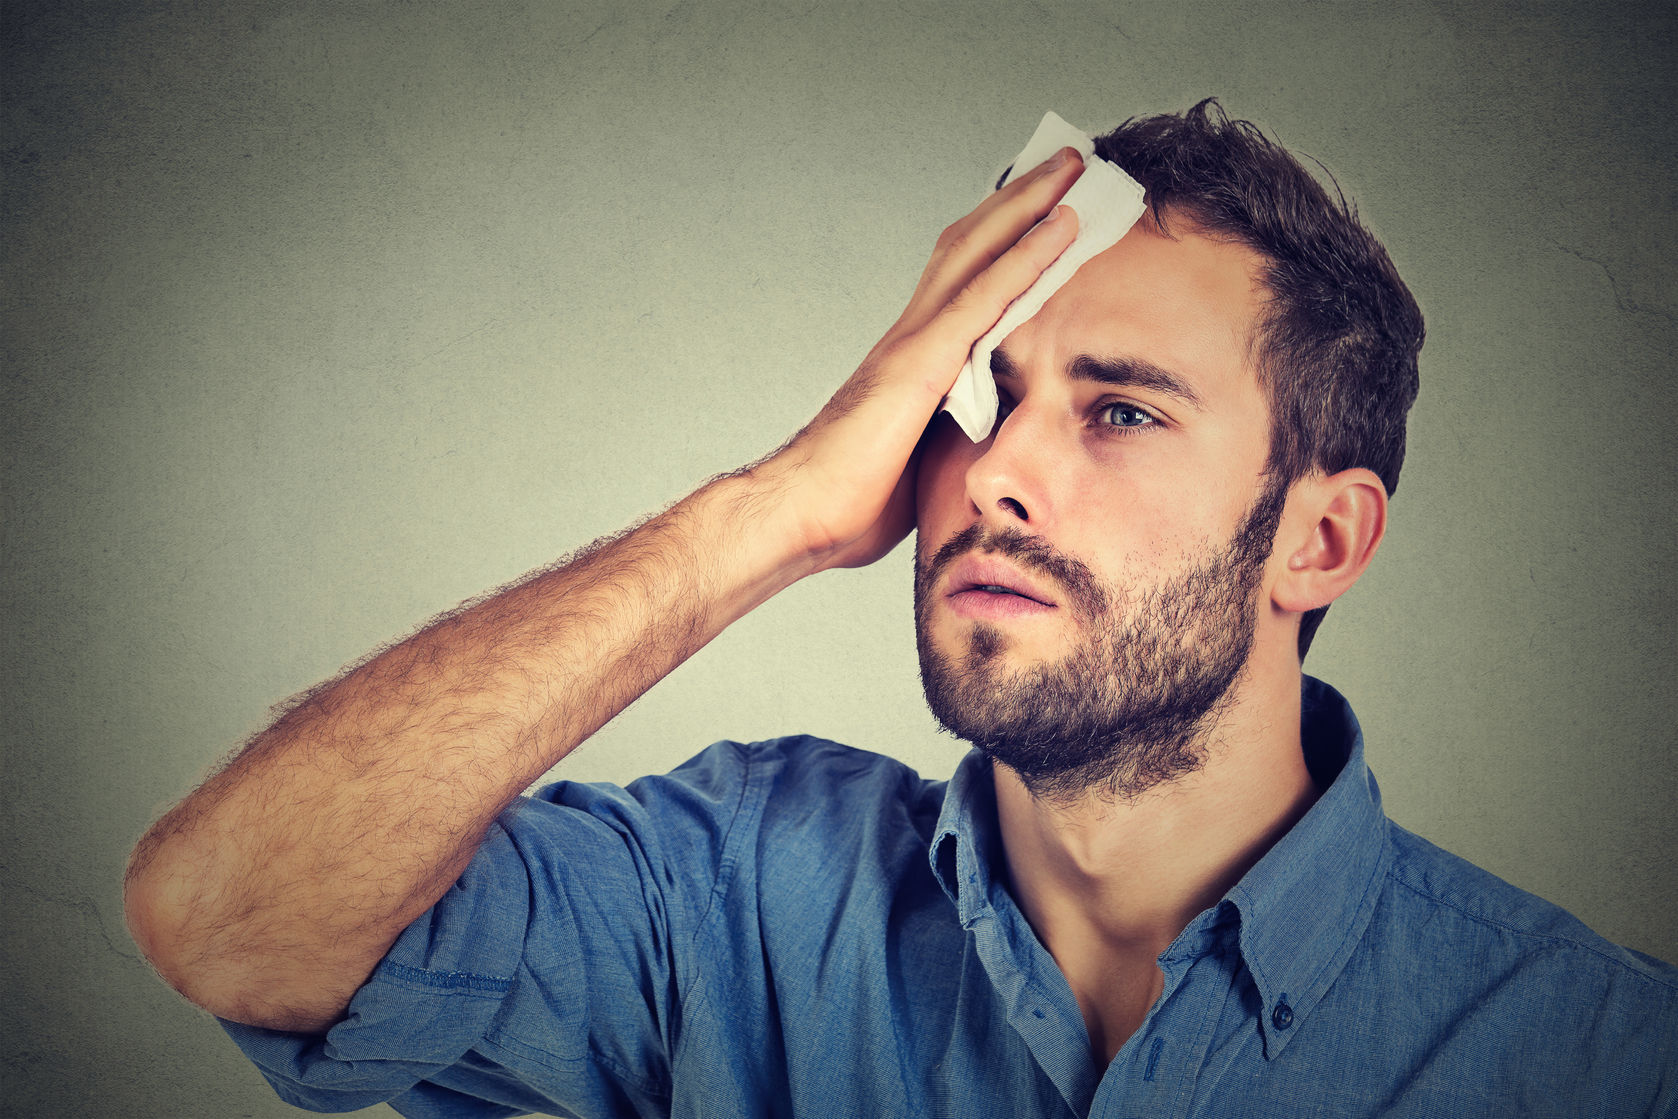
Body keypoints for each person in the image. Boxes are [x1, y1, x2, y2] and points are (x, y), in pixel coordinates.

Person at [124, 101, 1676, 1117]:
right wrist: (776, 508)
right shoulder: (731, 896)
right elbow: (231, 921)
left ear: (1320, 541)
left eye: (1120, 412)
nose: (992, 476)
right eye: (971, 401)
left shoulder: (1595, 1061)